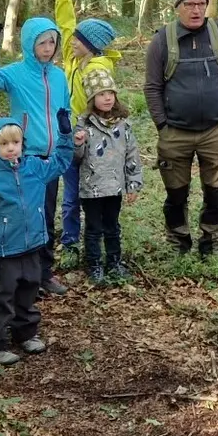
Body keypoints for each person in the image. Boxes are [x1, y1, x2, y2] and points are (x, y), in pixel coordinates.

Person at [143, 0, 218, 259]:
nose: (196, 10)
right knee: (176, 195)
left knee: (216, 194)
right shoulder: (162, 40)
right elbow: (152, 86)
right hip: (174, 133)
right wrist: (162, 126)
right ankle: (178, 243)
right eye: (189, 4)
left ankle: (211, 244)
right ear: (177, 7)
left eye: (201, 4)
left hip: (216, 130)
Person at [0, 116, 83, 365]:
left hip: (33, 244)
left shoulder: (34, 168)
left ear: (23, 143)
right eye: (4, 144)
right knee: (1, 296)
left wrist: (66, 136)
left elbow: (61, 162)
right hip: (3, 250)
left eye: (15, 142)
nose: (11, 148)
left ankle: (26, 333)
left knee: (29, 289)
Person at [0, 10, 74, 293]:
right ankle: (17, 272)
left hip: (52, 158)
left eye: (52, 42)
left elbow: (64, 109)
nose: (48, 48)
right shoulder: (17, 73)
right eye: (42, 42)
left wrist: (69, 131)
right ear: (30, 44)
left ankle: (43, 273)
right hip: (24, 156)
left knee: (46, 215)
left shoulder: (58, 76)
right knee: (24, 215)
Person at [54, 0, 119, 260]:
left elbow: (107, 105)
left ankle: (101, 239)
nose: (72, 42)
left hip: (93, 136)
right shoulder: (72, 59)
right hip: (70, 134)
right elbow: (66, 26)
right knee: (69, 195)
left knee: (93, 192)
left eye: (79, 39)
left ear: (91, 45)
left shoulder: (98, 69)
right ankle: (69, 242)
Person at [76, 67, 143, 285]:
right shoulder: (84, 125)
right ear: (91, 98)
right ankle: (94, 264)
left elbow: (131, 155)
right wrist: (77, 143)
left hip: (115, 186)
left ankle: (114, 262)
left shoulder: (123, 125)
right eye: (101, 94)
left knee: (113, 226)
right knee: (94, 227)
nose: (107, 98)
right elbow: (76, 158)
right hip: (92, 187)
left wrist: (133, 184)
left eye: (110, 93)